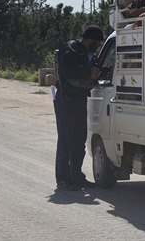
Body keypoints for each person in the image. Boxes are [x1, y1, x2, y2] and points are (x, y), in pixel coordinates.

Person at [54, 25, 104, 191]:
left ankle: (76, 177)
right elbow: (66, 70)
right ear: (89, 39)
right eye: (96, 42)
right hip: (66, 99)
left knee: (79, 140)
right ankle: (62, 179)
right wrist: (88, 72)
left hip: (80, 99)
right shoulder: (71, 49)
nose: (97, 46)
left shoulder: (90, 55)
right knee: (65, 140)